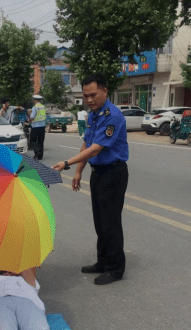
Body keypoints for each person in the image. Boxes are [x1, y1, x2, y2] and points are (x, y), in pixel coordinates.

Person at [52, 73, 129, 286]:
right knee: (100, 221)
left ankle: (115, 269)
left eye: (93, 95)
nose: (89, 100)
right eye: (85, 96)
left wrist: (66, 163)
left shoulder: (113, 115)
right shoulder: (94, 115)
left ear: (105, 90)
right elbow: (87, 143)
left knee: (111, 222)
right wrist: (78, 172)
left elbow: (97, 148)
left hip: (113, 173)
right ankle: (102, 262)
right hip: (99, 174)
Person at [28, 94, 46, 160]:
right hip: (42, 126)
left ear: (35, 100)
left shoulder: (35, 107)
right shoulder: (43, 107)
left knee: (32, 141)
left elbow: (32, 117)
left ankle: (37, 151)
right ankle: (40, 156)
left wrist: (30, 114)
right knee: (41, 141)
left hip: (35, 126)